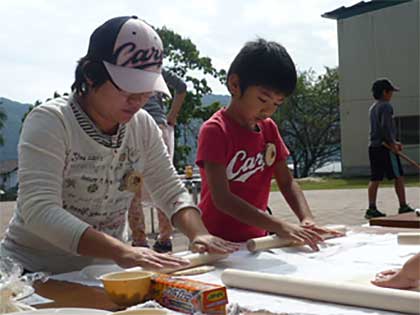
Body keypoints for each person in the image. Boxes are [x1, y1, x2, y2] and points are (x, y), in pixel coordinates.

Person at [0, 16, 238, 274]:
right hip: (29, 269)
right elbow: (40, 210)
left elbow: (170, 190)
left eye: (146, 90)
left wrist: (199, 234)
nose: (138, 100)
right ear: (91, 75)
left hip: (102, 271)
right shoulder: (51, 122)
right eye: (128, 88)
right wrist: (122, 251)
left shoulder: (142, 126)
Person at [195, 39, 338, 251]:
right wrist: (280, 225)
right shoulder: (215, 130)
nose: (269, 111)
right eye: (263, 100)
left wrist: (306, 218)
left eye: (277, 104)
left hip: (257, 240)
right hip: (218, 244)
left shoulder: (269, 129)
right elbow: (222, 198)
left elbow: (287, 182)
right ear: (234, 85)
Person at [128, 69, 186, 252]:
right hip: (160, 127)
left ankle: (139, 240)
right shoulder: (157, 70)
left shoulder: (124, 69)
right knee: (162, 184)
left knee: (133, 188)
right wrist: (172, 116)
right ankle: (165, 237)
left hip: (134, 128)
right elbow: (181, 88)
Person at [365, 78, 415, 219]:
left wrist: (393, 141)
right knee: (398, 176)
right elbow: (385, 127)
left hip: (374, 146)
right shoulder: (386, 106)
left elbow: (379, 129)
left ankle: (371, 208)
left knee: (375, 178)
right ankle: (403, 205)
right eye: (390, 91)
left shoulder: (373, 107)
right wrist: (392, 144)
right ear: (384, 92)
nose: (392, 94)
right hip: (385, 147)